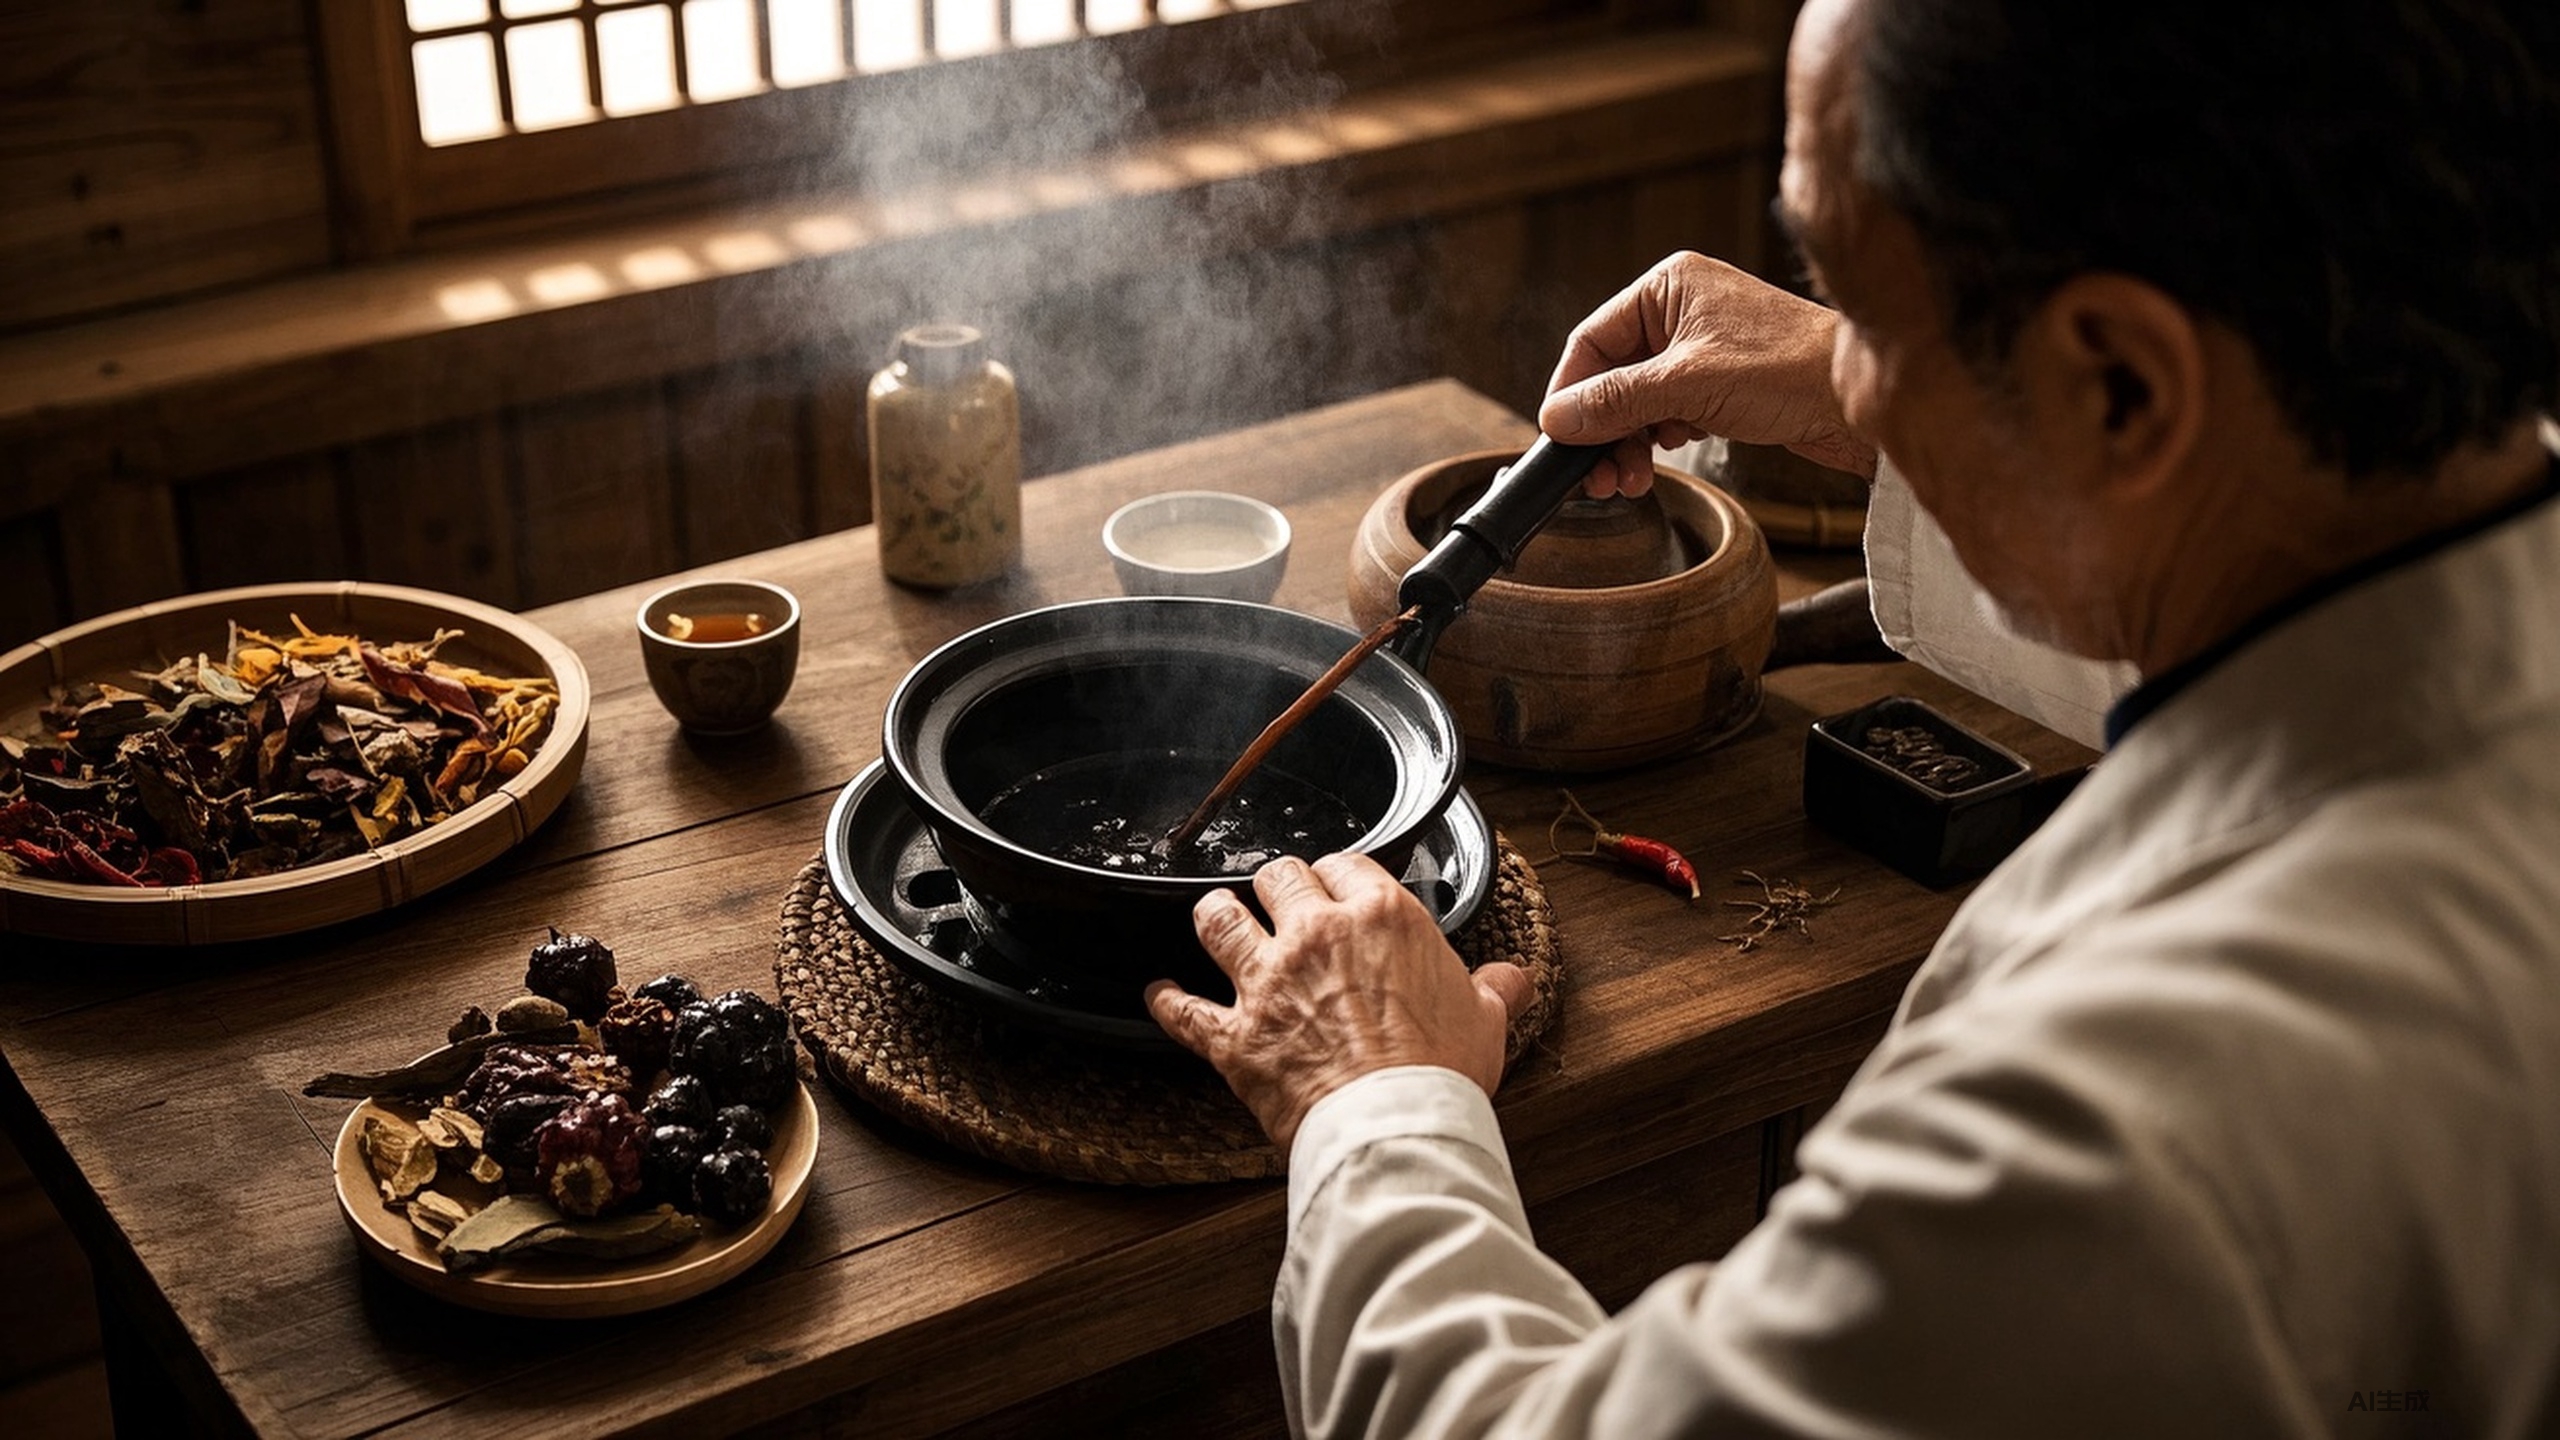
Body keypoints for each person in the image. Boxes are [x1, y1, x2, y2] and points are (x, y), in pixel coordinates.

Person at [1145, 0, 2560, 1433]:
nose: (1835, 355)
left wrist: (1378, 1098)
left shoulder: (2120, 1122)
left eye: (1864, 310)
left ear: (2125, 384)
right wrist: (1919, 393)